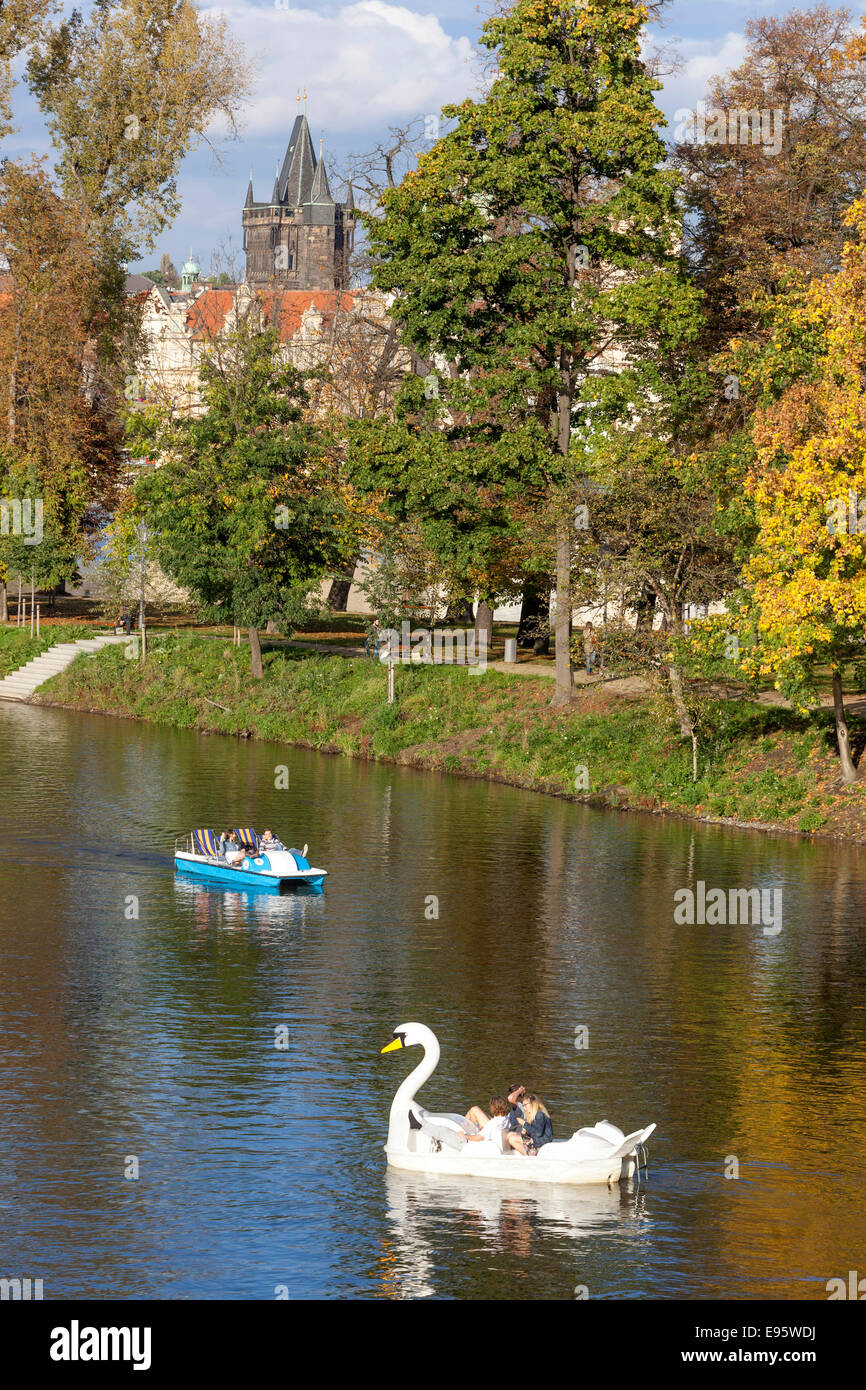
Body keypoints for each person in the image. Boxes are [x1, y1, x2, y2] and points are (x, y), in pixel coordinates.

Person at [465, 1097, 530, 1155]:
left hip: (493, 1146)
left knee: (474, 1109)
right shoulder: (507, 1119)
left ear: (492, 1108)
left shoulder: (492, 1123)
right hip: (503, 1146)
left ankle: (462, 1137)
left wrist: (465, 1136)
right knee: (476, 1111)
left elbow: (480, 1138)